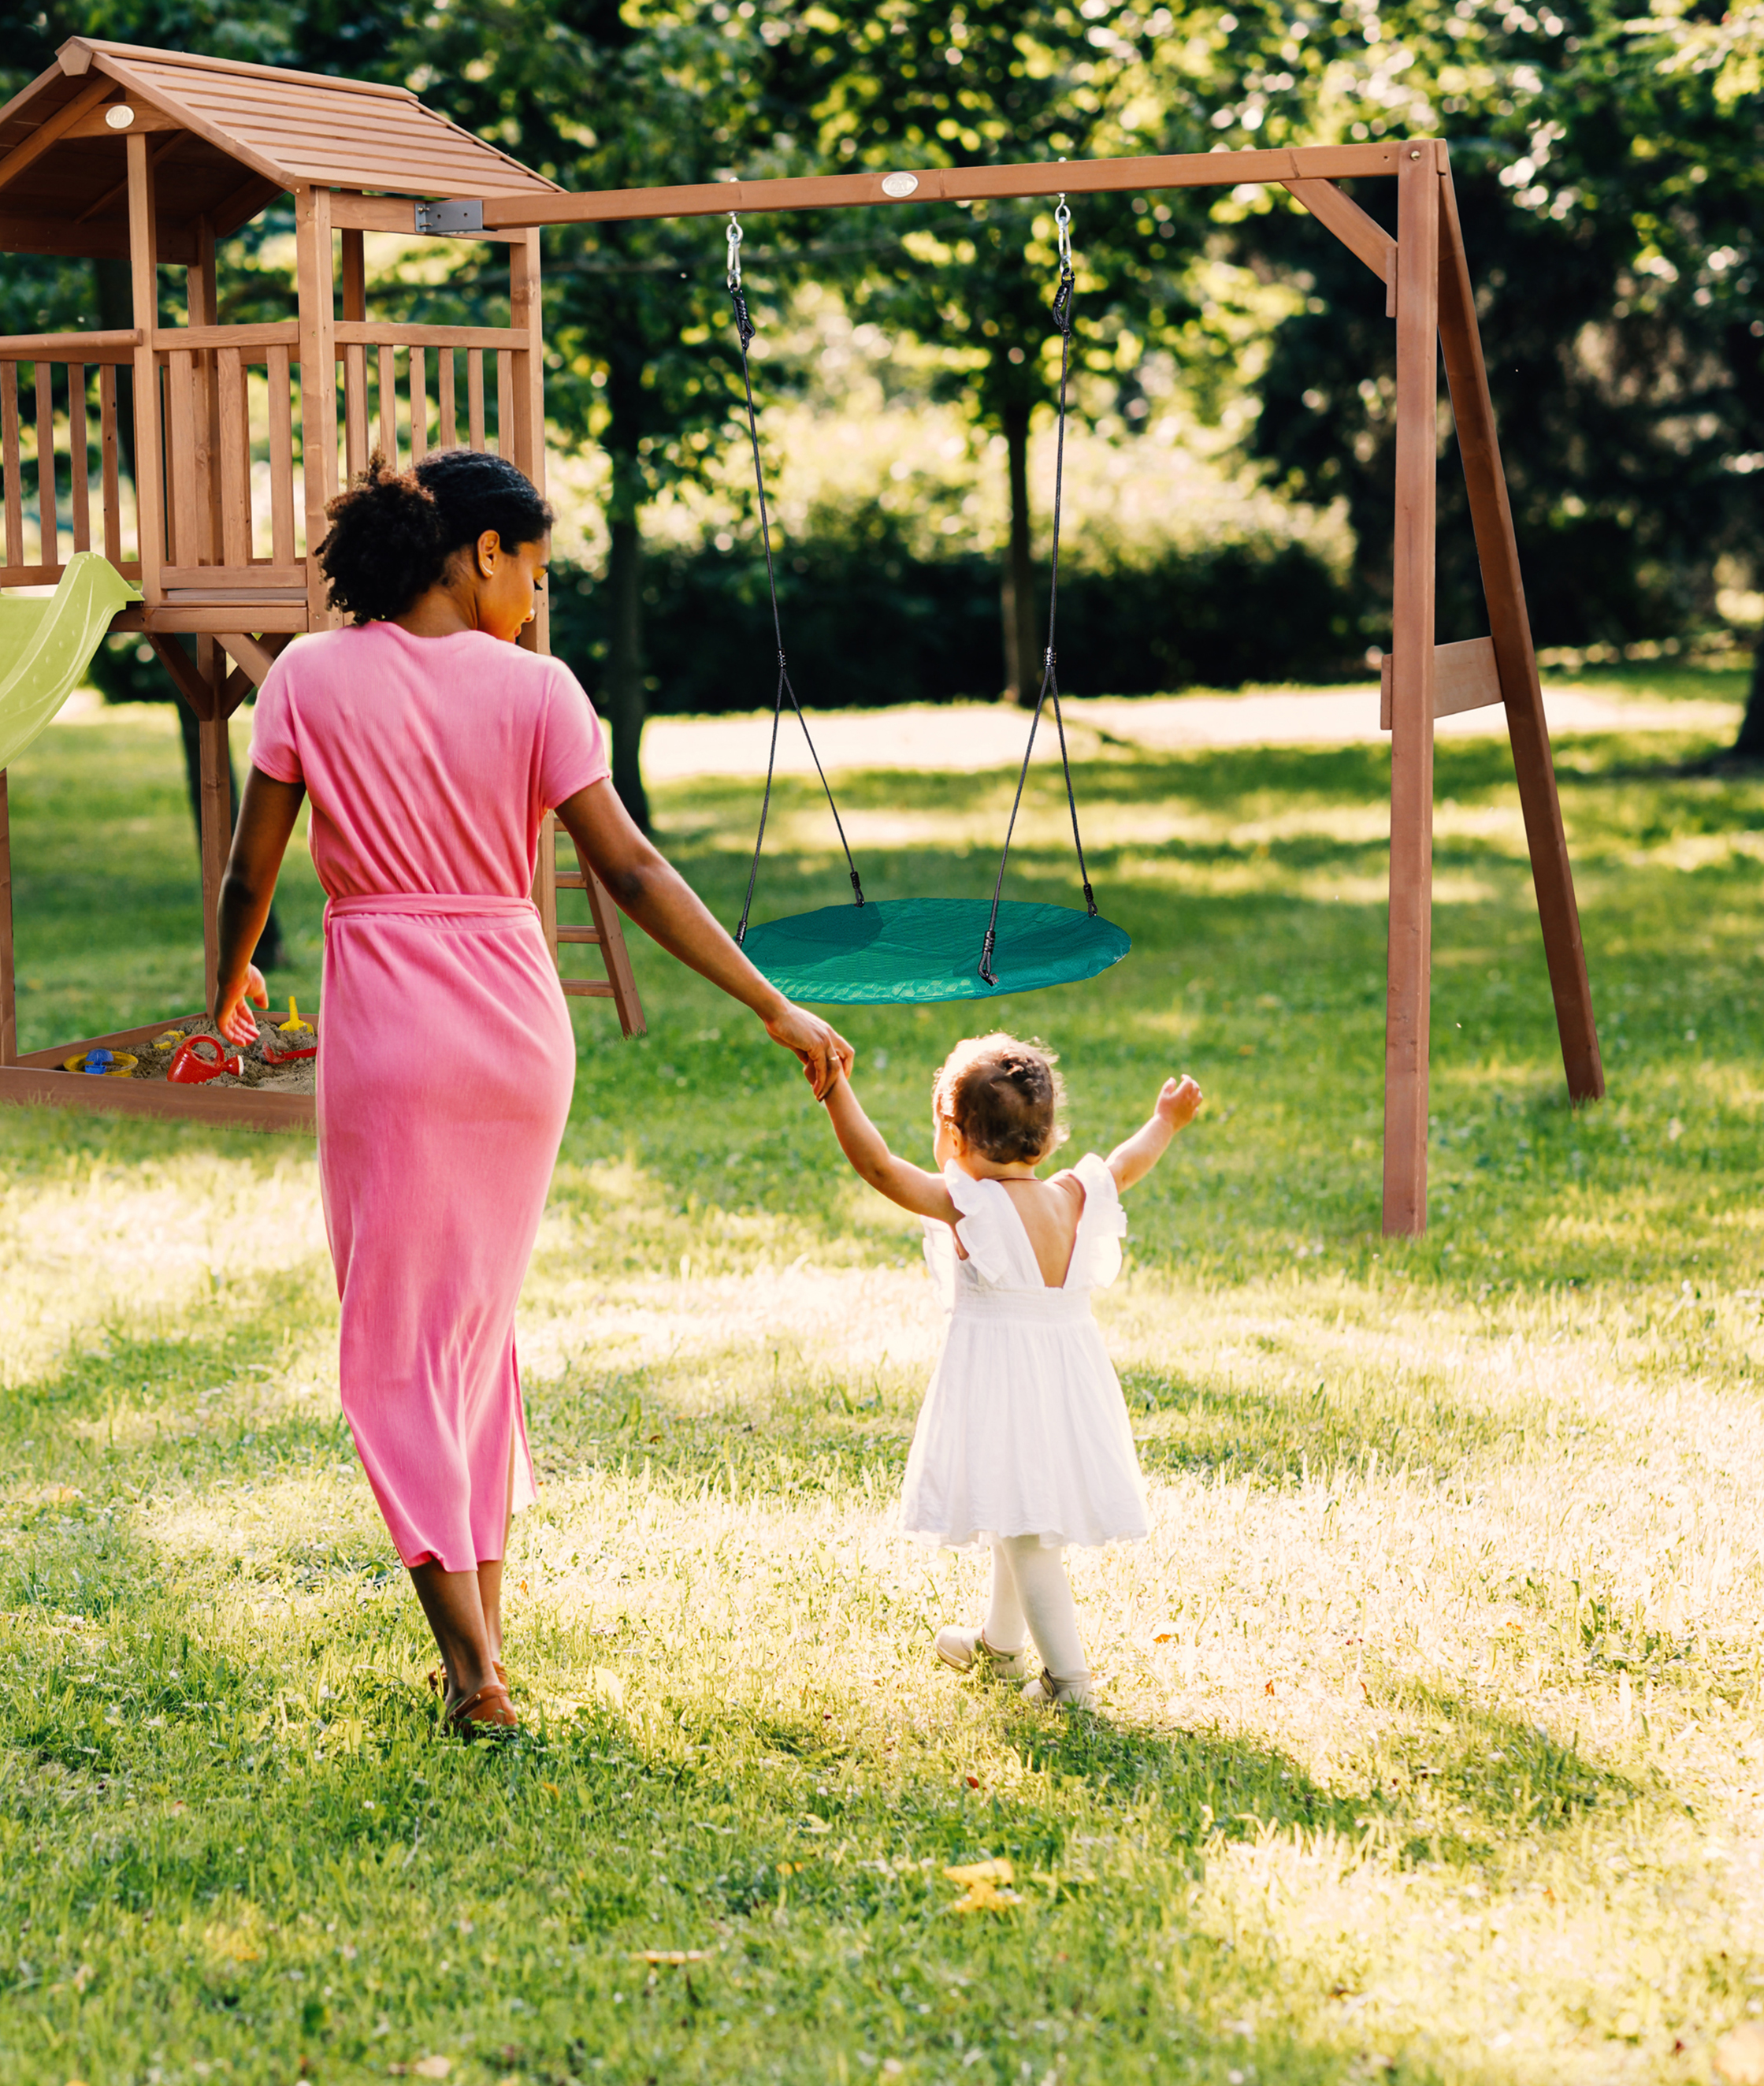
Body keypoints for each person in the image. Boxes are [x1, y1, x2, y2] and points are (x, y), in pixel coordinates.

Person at [211, 450, 853, 1738]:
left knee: (397, 1351)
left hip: (391, 1033)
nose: (538, 604)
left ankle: (470, 1673)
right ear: (482, 552)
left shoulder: (307, 678)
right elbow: (630, 871)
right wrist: (769, 999)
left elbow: (251, 873)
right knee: (470, 1340)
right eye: (536, 573)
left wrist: (224, 991)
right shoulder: (542, 693)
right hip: (516, 1033)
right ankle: (484, 1648)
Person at [817, 1034, 1204, 1709]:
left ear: (954, 1136)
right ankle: (999, 1647)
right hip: (1066, 1384)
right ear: (1048, 1138)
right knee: (1012, 1509)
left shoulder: (970, 1206)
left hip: (1004, 1387)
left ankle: (1069, 1683)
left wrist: (834, 1088)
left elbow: (878, 1167)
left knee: (1026, 1535)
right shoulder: (1074, 1195)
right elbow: (1126, 1162)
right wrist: (1165, 1121)